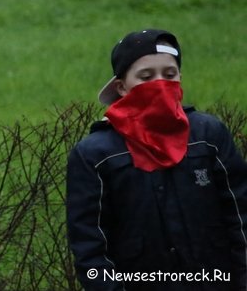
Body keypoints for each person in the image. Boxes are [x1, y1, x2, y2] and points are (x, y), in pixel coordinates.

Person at [66, 29, 247, 290]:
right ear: (121, 86)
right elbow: (90, 246)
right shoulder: (94, 155)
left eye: (169, 75)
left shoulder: (208, 136)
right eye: (146, 77)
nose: (160, 83)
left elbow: (240, 216)